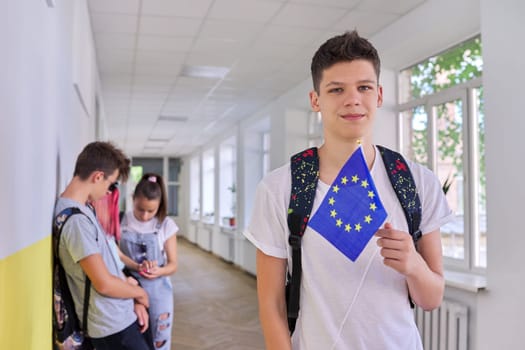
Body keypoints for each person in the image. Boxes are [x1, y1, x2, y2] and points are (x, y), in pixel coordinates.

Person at [243, 30, 454, 350]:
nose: (352, 99)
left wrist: (412, 264)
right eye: (336, 89)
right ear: (316, 100)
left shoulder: (415, 182)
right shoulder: (282, 188)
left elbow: (431, 298)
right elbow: (271, 305)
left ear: (379, 95)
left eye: (364, 87)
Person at [54, 141, 153, 350]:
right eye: (111, 184)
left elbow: (108, 267)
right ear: (98, 176)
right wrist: (140, 294)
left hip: (119, 316)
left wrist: (132, 298)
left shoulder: (84, 210)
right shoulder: (76, 222)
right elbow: (104, 284)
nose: (109, 191)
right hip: (111, 325)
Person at [119, 173, 179, 350]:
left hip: (159, 290)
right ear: (133, 199)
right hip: (128, 286)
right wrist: (135, 266)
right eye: (140, 209)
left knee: (160, 338)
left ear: (159, 205)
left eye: (151, 211)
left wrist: (158, 271)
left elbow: (173, 264)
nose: (145, 216)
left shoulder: (166, 225)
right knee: (134, 338)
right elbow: (115, 255)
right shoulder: (121, 220)